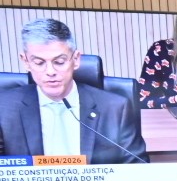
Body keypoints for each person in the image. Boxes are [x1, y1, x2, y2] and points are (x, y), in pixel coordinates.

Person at [0, 17, 149, 165]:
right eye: (39, 63)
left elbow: (137, 167)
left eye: (59, 62)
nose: (50, 71)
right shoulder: (4, 109)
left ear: (76, 59)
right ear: (25, 61)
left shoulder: (114, 108)